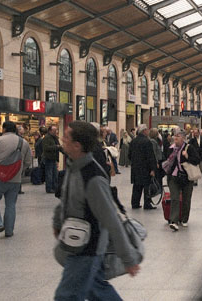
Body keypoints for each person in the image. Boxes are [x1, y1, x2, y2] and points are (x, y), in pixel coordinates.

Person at [52, 121, 140, 300]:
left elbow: (111, 220)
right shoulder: (73, 165)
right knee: (97, 291)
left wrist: (128, 258)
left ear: (77, 145)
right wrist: (57, 221)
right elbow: (68, 199)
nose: (62, 138)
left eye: (66, 137)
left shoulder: (93, 177)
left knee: (66, 296)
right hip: (77, 242)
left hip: (88, 248)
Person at [0, 121, 32, 238]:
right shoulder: (24, 142)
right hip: (15, 180)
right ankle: (9, 231)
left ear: (4, 129)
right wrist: (18, 172)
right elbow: (27, 162)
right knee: (11, 204)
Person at [165, 130, 200, 231]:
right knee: (175, 198)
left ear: (184, 138)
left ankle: (184, 219)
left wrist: (187, 156)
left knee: (186, 199)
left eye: (178, 136)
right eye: (174, 136)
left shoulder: (189, 148)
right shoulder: (171, 148)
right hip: (174, 177)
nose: (175, 137)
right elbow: (167, 161)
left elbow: (197, 160)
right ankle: (174, 221)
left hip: (186, 177)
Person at [128, 125, 157, 210]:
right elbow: (150, 156)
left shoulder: (133, 141)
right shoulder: (147, 142)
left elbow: (129, 155)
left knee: (136, 186)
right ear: (144, 131)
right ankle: (147, 204)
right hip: (145, 168)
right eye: (147, 130)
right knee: (146, 186)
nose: (148, 131)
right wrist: (153, 168)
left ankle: (135, 203)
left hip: (135, 167)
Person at [41, 126, 62, 194]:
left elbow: (59, 147)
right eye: (54, 130)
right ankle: (49, 188)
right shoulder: (47, 138)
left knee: (55, 174)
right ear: (50, 131)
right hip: (48, 158)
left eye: (56, 130)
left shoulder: (55, 138)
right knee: (49, 174)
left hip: (54, 158)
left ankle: (54, 187)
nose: (56, 131)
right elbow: (46, 148)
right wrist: (56, 147)